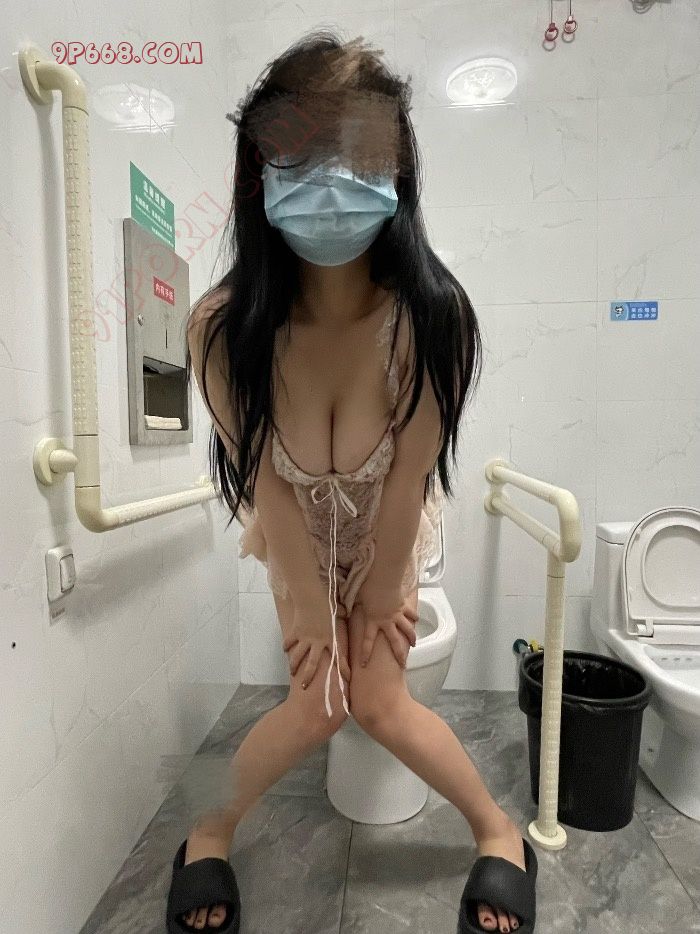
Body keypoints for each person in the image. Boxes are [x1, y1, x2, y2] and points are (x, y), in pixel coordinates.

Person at [167, 30, 536, 934]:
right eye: (302, 156)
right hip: (290, 523)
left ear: (397, 168)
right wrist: (304, 603)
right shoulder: (221, 330)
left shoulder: (435, 321)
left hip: (392, 525)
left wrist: (378, 587)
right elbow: (266, 481)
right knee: (315, 704)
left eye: (355, 155)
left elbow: (409, 480)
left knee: (374, 700)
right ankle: (205, 828)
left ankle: (500, 833)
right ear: (259, 173)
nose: (329, 183)